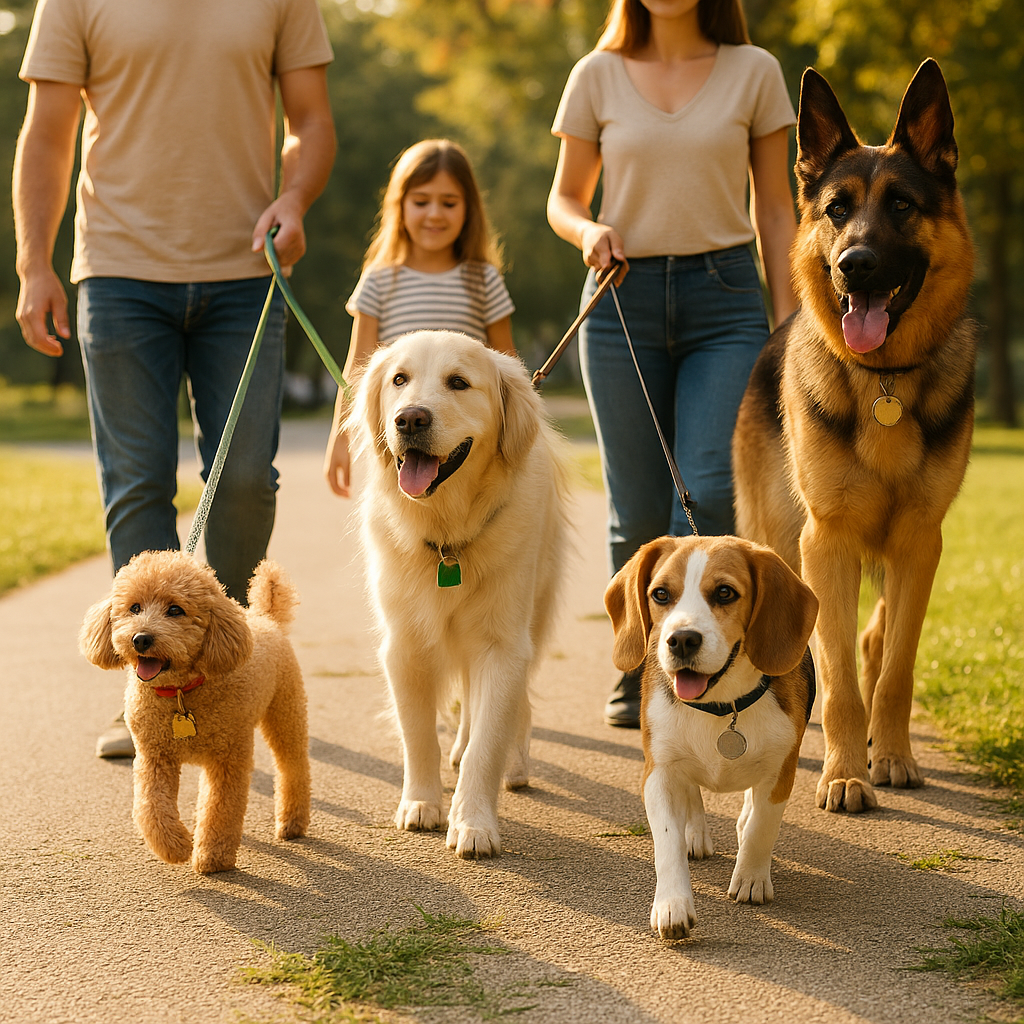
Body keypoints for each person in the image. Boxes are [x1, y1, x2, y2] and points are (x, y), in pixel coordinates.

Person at [14, 0, 337, 757]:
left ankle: (227, 670)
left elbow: (312, 121)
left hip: (245, 275)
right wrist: (35, 262)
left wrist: (294, 198)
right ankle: (152, 691)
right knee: (136, 482)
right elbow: (49, 134)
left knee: (248, 479)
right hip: (120, 274)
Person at [546, 0, 798, 728]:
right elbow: (563, 198)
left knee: (713, 488)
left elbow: (775, 209)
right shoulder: (596, 74)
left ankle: (728, 661)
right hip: (621, 299)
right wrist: (588, 228)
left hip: (724, 299)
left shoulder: (755, 72)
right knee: (634, 511)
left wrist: (787, 328)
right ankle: (641, 663)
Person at [324, 138, 516, 498]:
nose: (434, 214)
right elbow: (358, 367)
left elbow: (507, 362)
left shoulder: (483, 279)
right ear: (399, 206)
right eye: (421, 201)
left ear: (469, 209)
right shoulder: (380, 279)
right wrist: (341, 435)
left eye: (449, 202)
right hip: (405, 433)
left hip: (462, 454)